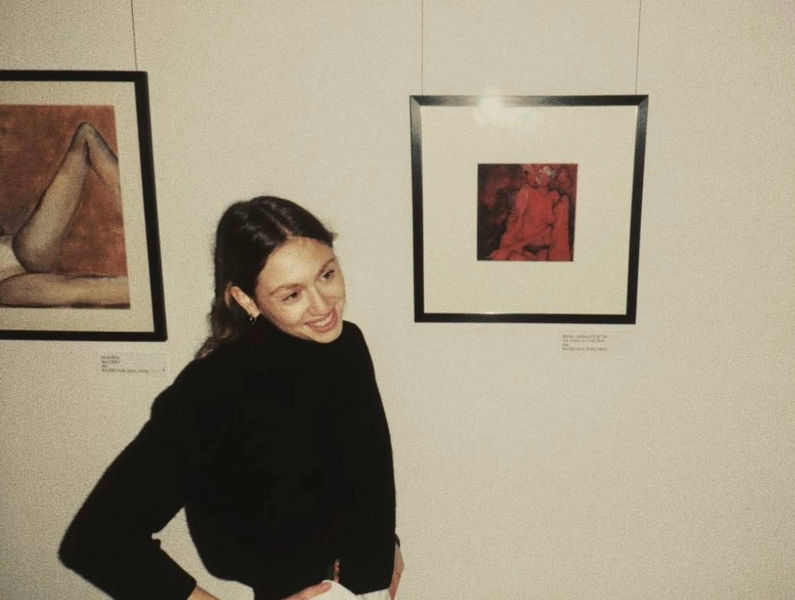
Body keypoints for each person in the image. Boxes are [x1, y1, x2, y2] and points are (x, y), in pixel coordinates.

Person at [58, 196, 403, 600]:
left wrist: (385, 546)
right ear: (246, 300)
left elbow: (357, 472)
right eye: (292, 295)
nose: (323, 305)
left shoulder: (346, 344)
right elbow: (97, 539)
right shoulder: (213, 388)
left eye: (326, 274)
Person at [0, 122, 129, 307]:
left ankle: (145, 220)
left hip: (16, 249)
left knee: (85, 136)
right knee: (96, 289)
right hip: (6, 285)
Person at [488, 164, 571, 262]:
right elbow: (515, 221)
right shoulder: (527, 191)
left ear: (551, 178)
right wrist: (506, 249)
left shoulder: (555, 196)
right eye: (541, 173)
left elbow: (552, 229)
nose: (544, 177)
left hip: (546, 249)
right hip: (524, 248)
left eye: (548, 174)